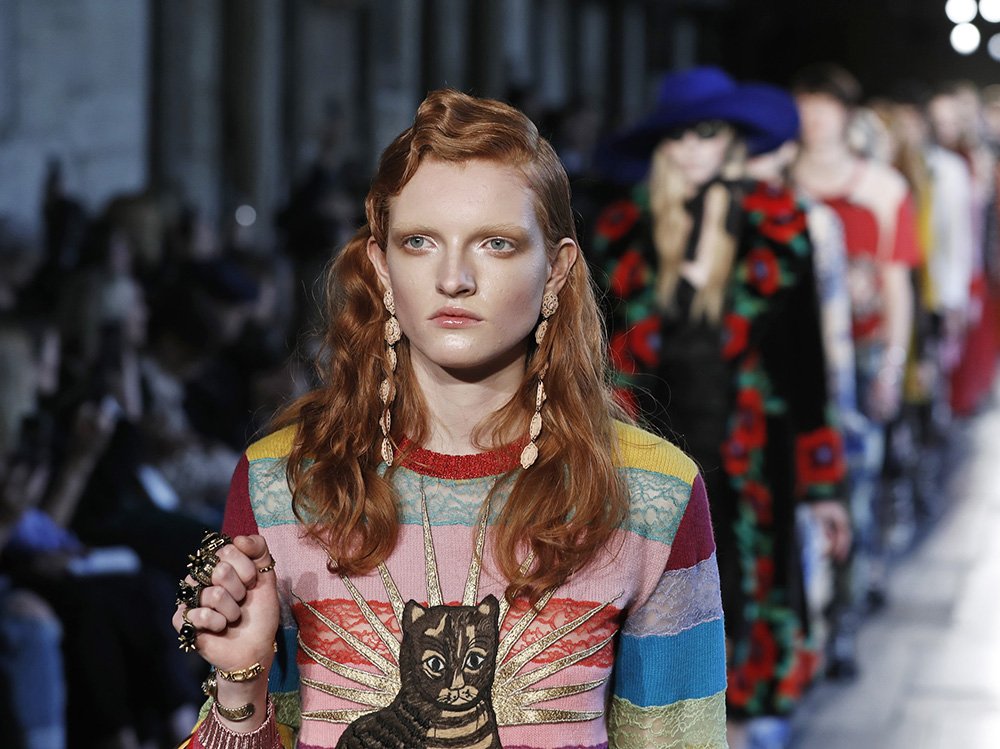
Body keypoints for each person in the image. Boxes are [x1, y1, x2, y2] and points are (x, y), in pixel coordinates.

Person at [172, 88, 728, 749]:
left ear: (556, 270)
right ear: (381, 267)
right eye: (419, 242)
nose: (454, 277)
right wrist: (239, 689)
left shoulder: (651, 492)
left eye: (495, 243)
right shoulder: (284, 481)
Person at [591, 67, 849, 749]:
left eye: (707, 132)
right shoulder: (623, 228)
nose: (692, 147)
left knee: (739, 613)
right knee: (653, 627)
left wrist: (825, 486)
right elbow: (600, 355)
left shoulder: (776, 225)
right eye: (678, 134)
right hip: (650, 458)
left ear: (732, 138)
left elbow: (804, 361)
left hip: (750, 460)